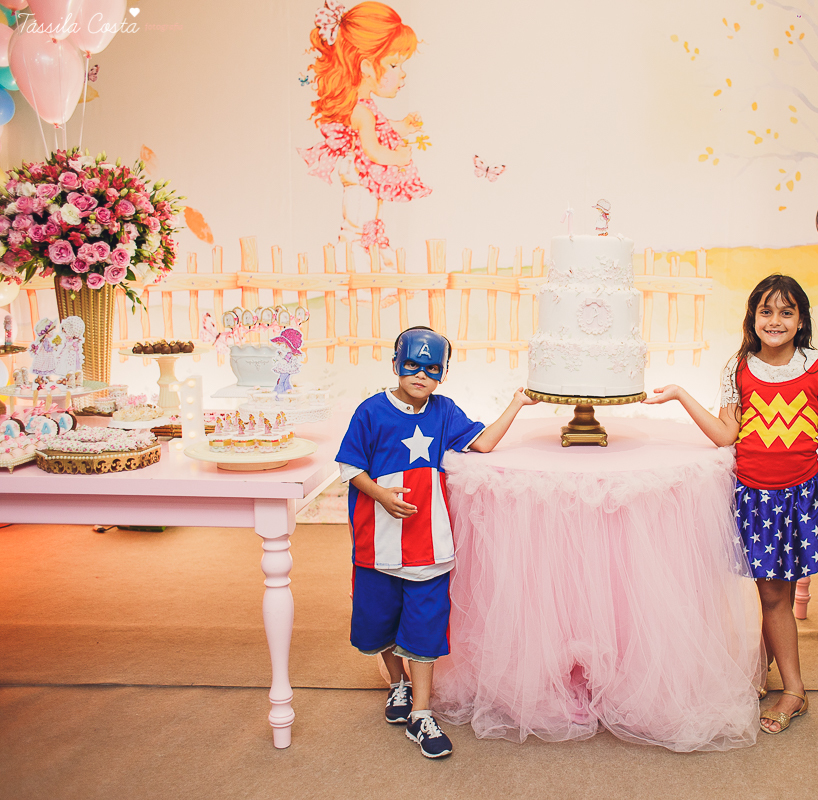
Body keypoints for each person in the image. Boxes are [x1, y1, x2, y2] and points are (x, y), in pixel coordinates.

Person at [643, 273, 818, 735]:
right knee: (772, 594)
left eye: (786, 311)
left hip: (798, 498)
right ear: (752, 317)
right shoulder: (738, 368)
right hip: (754, 501)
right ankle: (765, 674)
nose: (775, 320)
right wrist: (680, 394)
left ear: (801, 320)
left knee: (774, 595)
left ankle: (793, 691)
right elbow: (726, 434)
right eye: (766, 311)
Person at [335, 326, 537, 758]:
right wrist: (382, 495)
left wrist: (516, 404)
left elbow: (481, 443)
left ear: (442, 373)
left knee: (425, 626)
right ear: (396, 364)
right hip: (377, 542)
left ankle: (422, 713)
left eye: (431, 368)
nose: (420, 375)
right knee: (378, 620)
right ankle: (398, 685)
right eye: (412, 365)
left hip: (429, 543)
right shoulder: (370, 411)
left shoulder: (444, 412)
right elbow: (349, 466)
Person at [301, 0, 431, 252]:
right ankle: (353, 276)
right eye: (394, 65)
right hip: (360, 178)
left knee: (366, 226)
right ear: (366, 67)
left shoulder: (364, 107)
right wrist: (398, 158)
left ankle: (366, 273)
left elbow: (381, 130)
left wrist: (402, 126)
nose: (402, 73)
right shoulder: (361, 112)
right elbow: (372, 149)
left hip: (363, 178)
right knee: (358, 229)